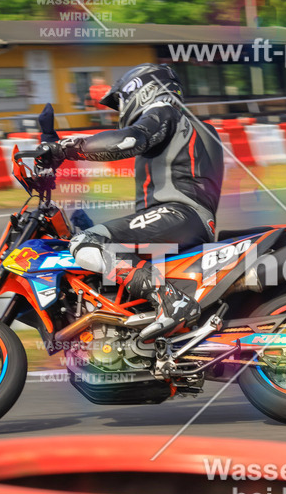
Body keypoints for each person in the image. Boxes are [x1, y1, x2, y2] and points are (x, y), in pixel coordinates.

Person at [37, 63, 225, 340]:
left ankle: (172, 302)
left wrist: (66, 147)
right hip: (185, 217)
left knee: (87, 243)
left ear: (142, 90)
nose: (121, 108)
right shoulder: (188, 126)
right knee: (96, 239)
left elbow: (128, 140)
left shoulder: (164, 111)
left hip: (178, 213)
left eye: (121, 100)